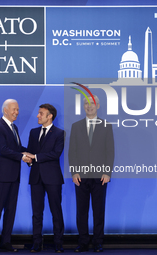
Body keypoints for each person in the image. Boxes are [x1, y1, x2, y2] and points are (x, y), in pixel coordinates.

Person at [68, 95, 114, 253]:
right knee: (81, 211)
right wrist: (74, 172)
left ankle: (98, 242)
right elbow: (72, 152)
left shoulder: (107, 126)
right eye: (86, 104)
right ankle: (83, 241)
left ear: (98, 106)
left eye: (92, 104)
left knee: (98, 210)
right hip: (81, 176)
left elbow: (110, 151)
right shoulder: (76, 126)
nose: (89, 106)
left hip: (100, 176)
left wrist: (107, 172)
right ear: (83, 106)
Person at [0, 99, 31, 253]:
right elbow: (3, 150)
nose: (16, 113)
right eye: (14, 109)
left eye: (18, 110)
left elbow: (17, 148)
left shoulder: (14, 128)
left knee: (10, 210)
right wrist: (22, 156)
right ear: (5, 110)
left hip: (14, 176)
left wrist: (30, 153)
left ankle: (6, 242)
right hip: (0, 177)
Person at [25, 104, 65, 253]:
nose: (38, 116)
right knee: (36, 212)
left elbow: (56, 154)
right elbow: (30, 152)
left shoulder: (59, 133)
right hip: (36, 177)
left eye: (41, 113)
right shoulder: (33, 132)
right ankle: (36, 242)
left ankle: (58, 242)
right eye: (38, 113)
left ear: (50, 116)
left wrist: (35, 157)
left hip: (53, 177)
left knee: (56, 211)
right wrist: (28, 159)